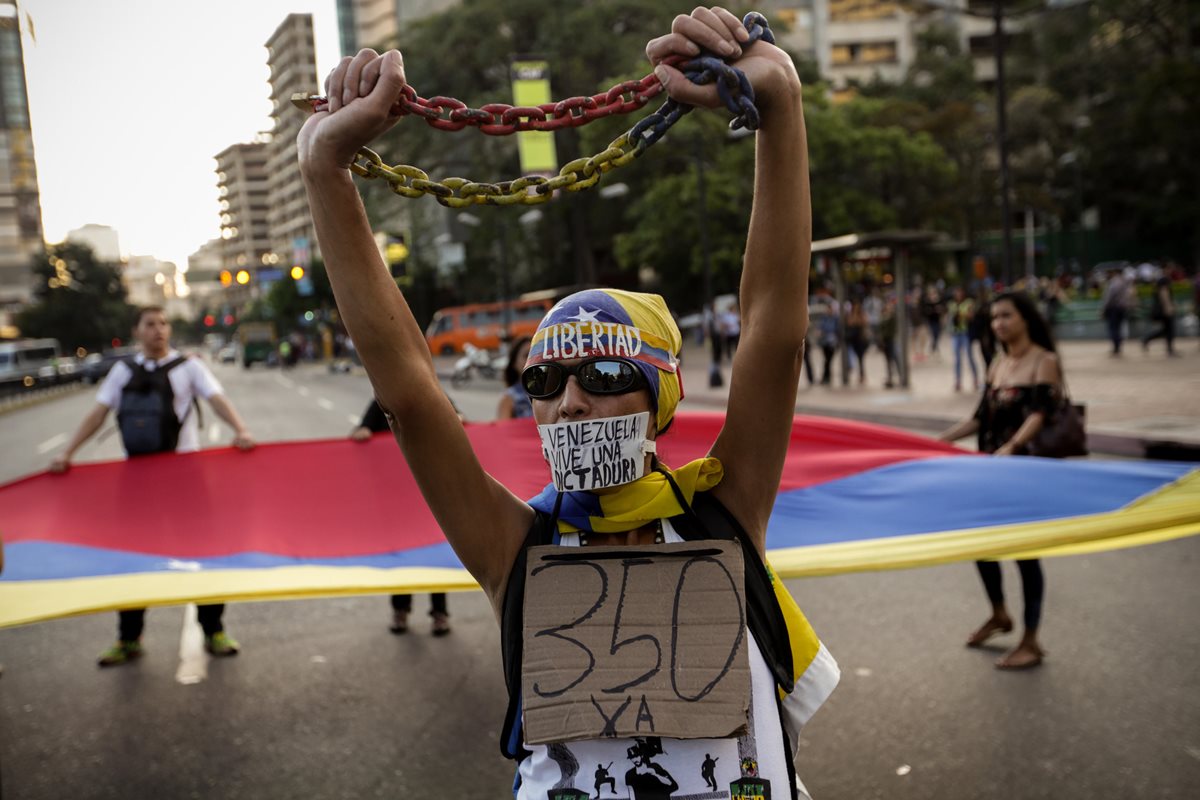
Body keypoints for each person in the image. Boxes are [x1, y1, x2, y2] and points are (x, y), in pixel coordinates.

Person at [297, 9, 827, 797]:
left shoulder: (726, 505)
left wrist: (779, 109)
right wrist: (325, 171)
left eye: (606, 377)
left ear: (661, 398)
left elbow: (774, 333)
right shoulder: (519, 545)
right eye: (544, 382)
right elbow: (408, 390)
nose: (570, 402)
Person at [49, 306, 256, 666]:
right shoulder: (122, 371)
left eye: (163, 324)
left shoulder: (189, 367)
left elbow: (216, 399)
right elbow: (97, 414)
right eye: (150, 324)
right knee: (131, 558)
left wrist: (241, 429)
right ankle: (129, 638)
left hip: (185, 475)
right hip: (137, 480)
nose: (158, 330)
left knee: (202, 553)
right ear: (137, 331)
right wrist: (67, 452)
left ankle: (214, 630)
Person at [939, 291, 1064, 670]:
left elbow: (1041, 413)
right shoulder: (997, 363)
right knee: (982, 544)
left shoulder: (1044, 361)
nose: (999, 324)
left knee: (1025, 554)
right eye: (994, 318)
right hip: (989, 468)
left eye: (1006, 316)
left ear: (1025, 318)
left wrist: (1012, 445)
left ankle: (1030, 639)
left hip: (1023, 469)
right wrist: (937, 443)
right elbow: (979, 417)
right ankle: (999, 613)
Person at [350, 399, 451, 636]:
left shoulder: (432, 395)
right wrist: (362, 432)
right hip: (396, 499)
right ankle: (400, 610)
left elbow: (458, 419)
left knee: (434, 556)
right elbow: (360, 430)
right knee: (403, 556)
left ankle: (439, 613)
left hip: (429, 496)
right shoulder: (382, 403)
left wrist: (458, 418)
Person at [947, 286, 979, 392]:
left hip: (965, 333)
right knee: (957, 359)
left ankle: (975, 379)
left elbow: (971, 315)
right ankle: (958, 381)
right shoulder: (952, 304)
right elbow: (950, 318)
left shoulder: (968, 302)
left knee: (970, 357)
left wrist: (961, 315)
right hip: (956, 333)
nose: (958, 294)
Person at [496, 336, 533, 419]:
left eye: (535, 354)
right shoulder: (508, 398)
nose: (532, 360)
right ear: (514, 363)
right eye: (526, 355)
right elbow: (504, 430)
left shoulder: (553, 391)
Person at [1141, 276, 1177, 356]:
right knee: (1169, 331)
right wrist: (1170, 311)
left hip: (1163, 313)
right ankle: (1169, 349)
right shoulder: (1163, 290)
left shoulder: (1157, 290)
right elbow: (1166, 301)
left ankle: (1148, 339)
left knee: (1165, 331)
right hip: (1165, 313)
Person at [1100, 268, 1132, 356]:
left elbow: (1109, 297)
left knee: (1113, 328)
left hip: (1113, 308)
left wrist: (1103, 309)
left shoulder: (1113, 282)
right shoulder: (1125, 282)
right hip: (1122, 308)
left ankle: (1116, 347)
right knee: (1119, 328)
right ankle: (1118, 346)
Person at [844, 297, 869, 385]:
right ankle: (850, 371)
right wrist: (854, 314)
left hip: (861, 339)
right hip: (853, 339)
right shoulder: (850, 314)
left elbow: (863, 322)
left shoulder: (862, 314)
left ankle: (862, 375)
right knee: (851, 356)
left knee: (861, 358)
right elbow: (850, 323)